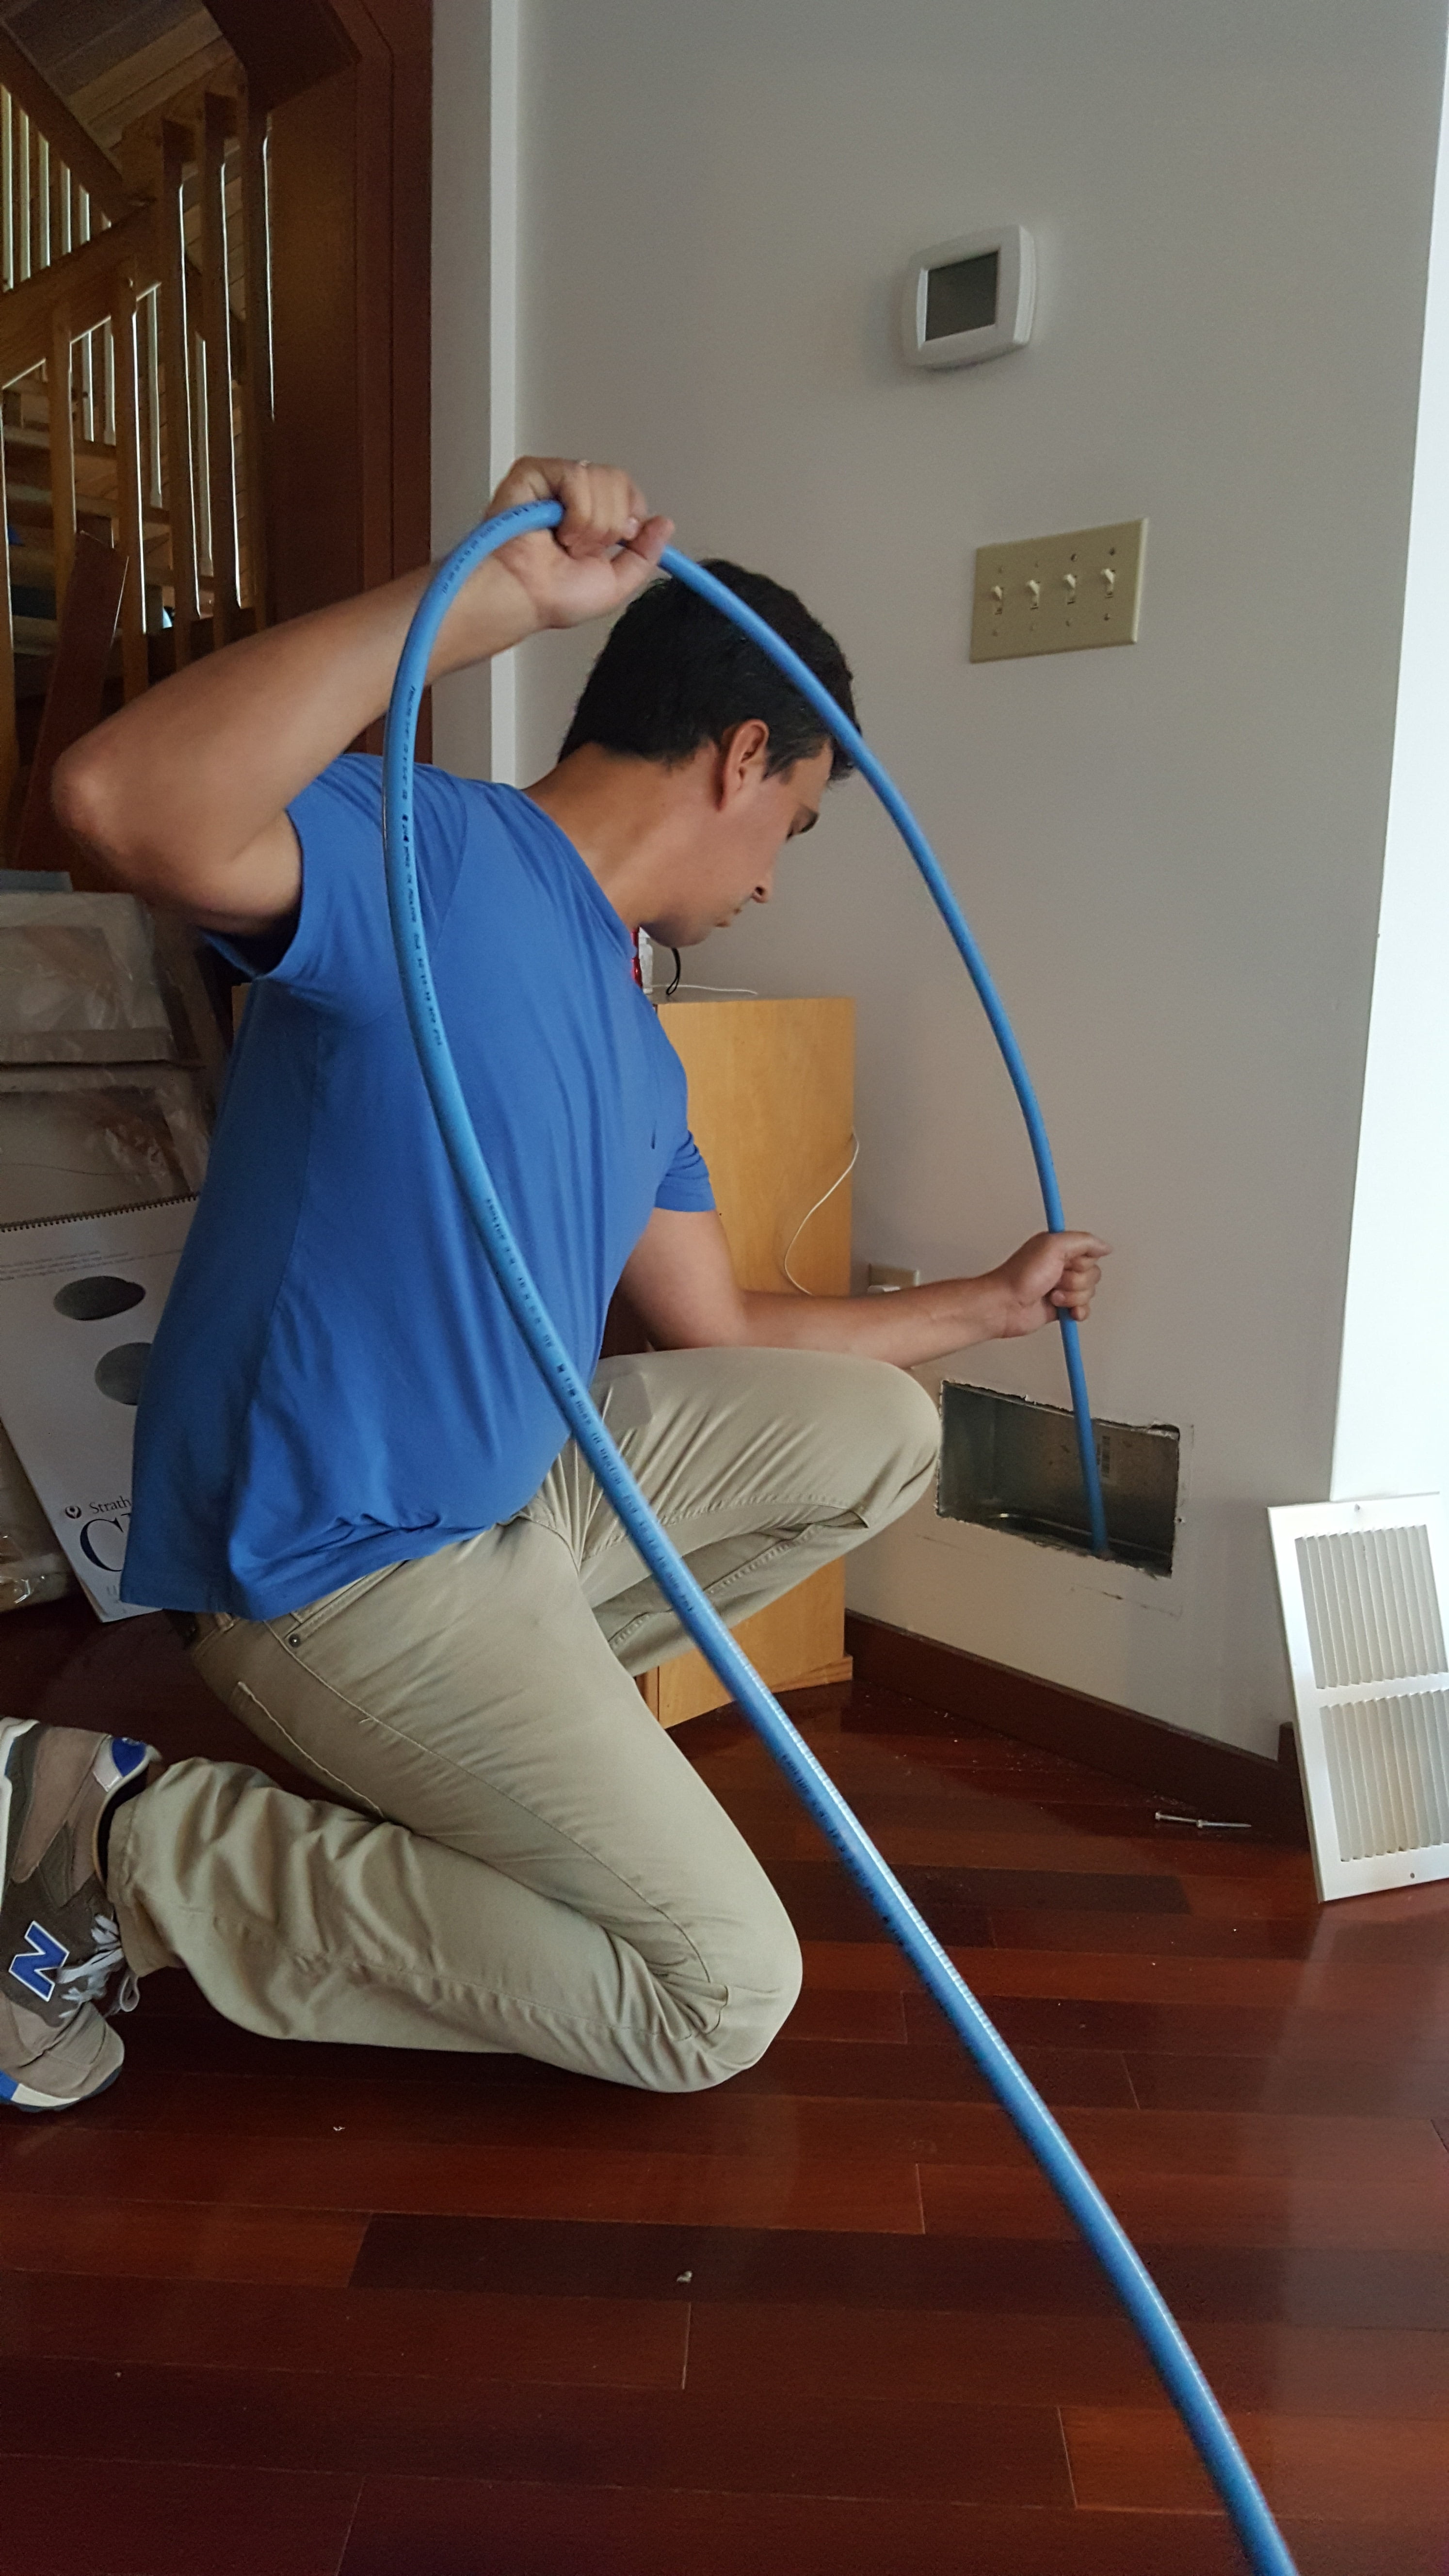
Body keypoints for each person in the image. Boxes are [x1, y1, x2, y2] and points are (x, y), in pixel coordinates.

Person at [0, 459, 1107, 2114]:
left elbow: (720, 1332)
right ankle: (124, 1842)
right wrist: (494, 597)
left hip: (515, 1508)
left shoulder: (635, 1039)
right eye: (794, 828)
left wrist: (988, 1306)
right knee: (713, 1999)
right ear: (743, 757)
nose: (772, 879)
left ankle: (490, 1749)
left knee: (881, 1429)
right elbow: (118, 801)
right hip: (333, 1563)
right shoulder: (433, 851)